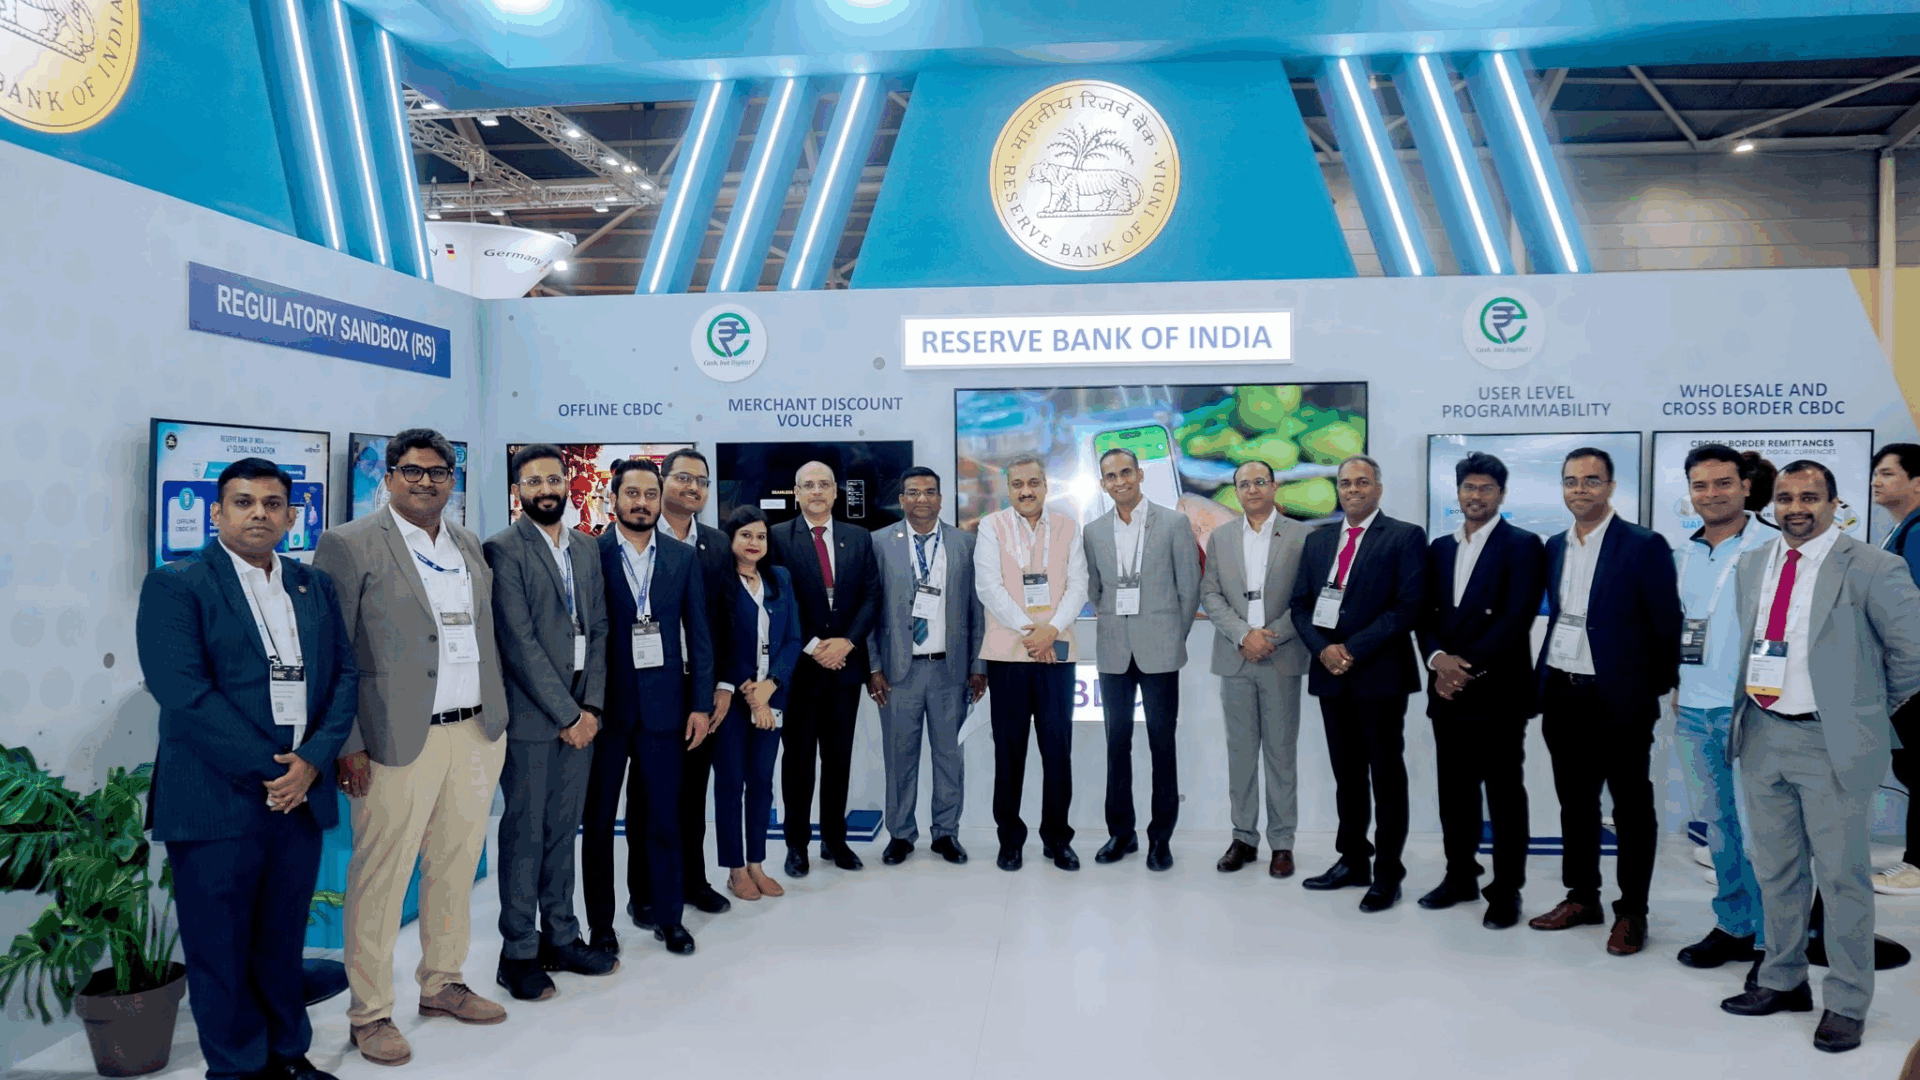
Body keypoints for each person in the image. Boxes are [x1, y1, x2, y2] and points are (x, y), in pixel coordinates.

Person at [137, 457, 357, 1080]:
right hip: (215, 799)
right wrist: (279, 771)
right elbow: (184, 694)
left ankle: (287, 1055)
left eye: (272, 503)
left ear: (291, 515)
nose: (259, 513)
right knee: (220, 948)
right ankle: (236, 1069)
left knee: (282, 940)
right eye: (243, 501)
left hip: (298, 799)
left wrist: (312, 761)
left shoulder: (313, 585)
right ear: (217, 512)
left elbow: (344, 676)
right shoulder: (177, 585)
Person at [317, 428, 511, 1068]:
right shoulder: (348, 544)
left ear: (453, 479)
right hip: (394, 738)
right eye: (412, 470)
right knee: (381, 875)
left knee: (455, 865)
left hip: (474, 730)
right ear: (389, 476)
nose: (426, 481)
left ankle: (443, 983)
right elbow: (332, 651)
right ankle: (370, 1013)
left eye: (438, 472)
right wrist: (347, 741)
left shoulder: (466, 543)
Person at [1716, 460, 1920, 1054]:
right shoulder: (1754, 562)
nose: (1796, 508)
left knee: (1841, 879)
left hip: (1830, 742)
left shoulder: (1874, 566)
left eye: (1810, 497)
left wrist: (1863, 709)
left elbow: (1912, 655)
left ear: (1834, 504)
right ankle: (1782, 980)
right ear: (1771, 503)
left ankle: (1848, 1002)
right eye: (1785, 497)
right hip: (1761, 732)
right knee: (1776, 871)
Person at [1526, 447, 1681, 957]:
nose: (1580, 489)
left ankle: (1632, 911)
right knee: (1575, 803)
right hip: (1562, 692)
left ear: (1611, 487)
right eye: (1571, 481)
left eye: (1592, 480)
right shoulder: (1554, 546)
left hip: (1620, 699)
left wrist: (1648, 689)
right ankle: (1582, 897)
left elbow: (1666, 624)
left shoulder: (1643, 545)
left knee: (1631, 807)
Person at [485, 444, 616, 1002]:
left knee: (564, 833)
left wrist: (592, 710)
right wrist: (568, 714)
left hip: (582, 718)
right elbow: (518, 642)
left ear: (568, 484)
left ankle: (562, 936)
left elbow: (600, 629)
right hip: (533, 722)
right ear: (518, 490)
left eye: (554, 479)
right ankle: (517, 952)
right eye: (533, 481)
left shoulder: (585, 547)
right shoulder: (503, 549)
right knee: (524, 837)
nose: (546, 489)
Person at [584, 457, 713, 957]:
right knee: (598, 824)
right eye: (632, 494)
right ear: (613, 498)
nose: (641, 503)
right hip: (603, 711)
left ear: (661, 501)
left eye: (650, 495)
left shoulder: (682, 557)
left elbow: (699, 636)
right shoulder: (588, 554)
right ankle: (601, 926)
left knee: (663, 819)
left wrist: (700, 705)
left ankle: (668, 916)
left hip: (666, 709)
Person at [1413, 452, 1546, 930]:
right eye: (1468, 487)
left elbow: (1516, 619)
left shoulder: (1523, 545)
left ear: (1501, 494)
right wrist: (1437, 660)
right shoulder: (1439, 548)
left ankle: (1506, 891)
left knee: (1504, 795)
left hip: (1498, 692)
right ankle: (1460, 876)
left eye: (1486, 488)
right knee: (1455, 792)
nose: (1476, 496)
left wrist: (1462, 669)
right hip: (1446, 691)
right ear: (1458, 492)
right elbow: (1424, 615)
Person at [1289, 455, 1426, 913]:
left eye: (1362, 482)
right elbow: (1300, 604)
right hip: (1331, 675)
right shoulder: (1318, 539)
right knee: (1346, 775)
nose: (1353, 490)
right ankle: (1352, 860)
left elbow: (1407, 607)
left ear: (1378, 488)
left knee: (1385, 777)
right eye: (1345, 483)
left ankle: (1388, 873)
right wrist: (1323, 650)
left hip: (1379, 675)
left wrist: (1350, 649)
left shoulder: (1404, 536)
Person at [1669, 444, 1774, 969]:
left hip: (1757, 713)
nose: (1711, 494)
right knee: (1718, 828)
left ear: (1746, 487)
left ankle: (1775, 943)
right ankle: (1734, 925)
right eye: (1700, 485)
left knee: (1766, 834)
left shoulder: (1774, 547)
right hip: (1693, 711)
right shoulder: (1681, 554)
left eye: (1723, 483)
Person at [1083, 448, 1201, 871]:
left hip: (1160, 651)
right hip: (1114, 651)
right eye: (1111, 476)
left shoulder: (1174, 523)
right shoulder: (1093, 531)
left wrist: (1172, 635)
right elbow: (1094, 589)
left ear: (1140, 474)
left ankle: (1160, 838)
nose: (1120, 481)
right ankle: (1121, 833)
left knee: (1161, 745)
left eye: (1126, 472)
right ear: (1103, 484)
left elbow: (1189, 588)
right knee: (1117, 745)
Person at [867, 467, 988, 866]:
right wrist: (873, 667)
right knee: (899, 759)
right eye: (913, 492)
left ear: (940, 498)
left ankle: (946, 833)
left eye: (930, 492)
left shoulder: (965, 543)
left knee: (949, 758)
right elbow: (868, 611)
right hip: (897, 674)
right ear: (901, 499)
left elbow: (976, 610)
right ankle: (900, 834)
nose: (922, 499)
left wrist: (978, 665)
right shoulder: (879, 543)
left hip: (950, 672)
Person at [974, 453, 1088, 872]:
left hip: (1057, 653)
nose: (1026, 491)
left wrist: (1051, 630)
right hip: (1008, 654)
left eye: (1033, 483)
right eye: (1018, 484)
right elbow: (988, 587)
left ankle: (1057, 839)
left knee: (1057, 750)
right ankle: (1010, 840)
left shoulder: (1068, 527)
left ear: (1046, 486)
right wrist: (1031, 631)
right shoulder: (990, 526)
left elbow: (1079, 585)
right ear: (1008, 489)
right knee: (1009, 751)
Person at [769, 461, 882, 876]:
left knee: (838, 758)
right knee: (798, 761)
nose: (816, 491)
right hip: (800, 668)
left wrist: (847, 642)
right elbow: (779, 599)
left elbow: (872, 596)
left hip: (845, 667)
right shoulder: (777, 537)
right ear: (796, 493)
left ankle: (835, 840)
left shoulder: (859, 537)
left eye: (824, 484)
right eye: (808, 485)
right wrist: (815, 645)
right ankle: (796, 845)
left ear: (836, 492)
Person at [1199, 460, 1310, 879]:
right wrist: (1244, 635)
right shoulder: (1222, 536)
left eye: (1260, 481)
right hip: (1236, 657)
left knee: (1281, 755)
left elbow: (1306, 598)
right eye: (1243, 484)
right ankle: (1243, 838)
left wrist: (1270, 637)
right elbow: (1210, 594)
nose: (1252, 489)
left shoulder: (1302, 535)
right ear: (1236, 491)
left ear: (1274, 486)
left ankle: (1282, 843)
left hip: (1281, 657)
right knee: (1241, 755)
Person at [655, 448, 737, 917]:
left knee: (694, 791)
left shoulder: (716, 543)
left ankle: (694, 882)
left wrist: (722, 685)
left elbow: (727, 619)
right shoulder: (637, 535)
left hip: (701, 684)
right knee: (651, 795)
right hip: (652, 686)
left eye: (701, 481)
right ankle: (648, 892)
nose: (693, 487)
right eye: (683, 478)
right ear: (663, 480)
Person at [713, 506, 802, 899]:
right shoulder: (718, 580)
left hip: (773, 694)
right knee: (731, 782)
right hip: (732, 698)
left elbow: (794, 639)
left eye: (761, 536)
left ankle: (757, 864)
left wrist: (771, 685)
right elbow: (719, 641)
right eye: (745, 535)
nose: (754, 543)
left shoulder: (780, 578)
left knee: (762, 783)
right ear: (730, 539)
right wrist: (751, 693)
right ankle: (735, 870)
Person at [1869, 442, 1920, 896]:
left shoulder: (1918, 533)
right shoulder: (1899, 531)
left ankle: (1917, 867)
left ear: (1917, 482)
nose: (1876, 481)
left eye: (1887, 473)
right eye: (1876, 473)